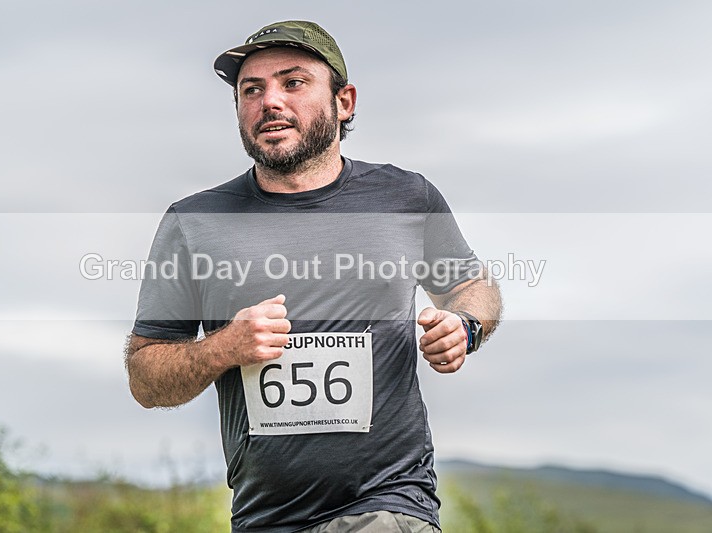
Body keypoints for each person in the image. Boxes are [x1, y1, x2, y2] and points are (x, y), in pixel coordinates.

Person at [126, 20, 502, 533]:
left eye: (293, 83)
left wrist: (465, 326)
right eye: (251, 89)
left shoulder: (405, 198)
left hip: (389, 501)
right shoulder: (194, 222)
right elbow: (146, 377)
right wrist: (223, 347)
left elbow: (470, 286)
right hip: (263, 518)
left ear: (344, 102)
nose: (269, 101)